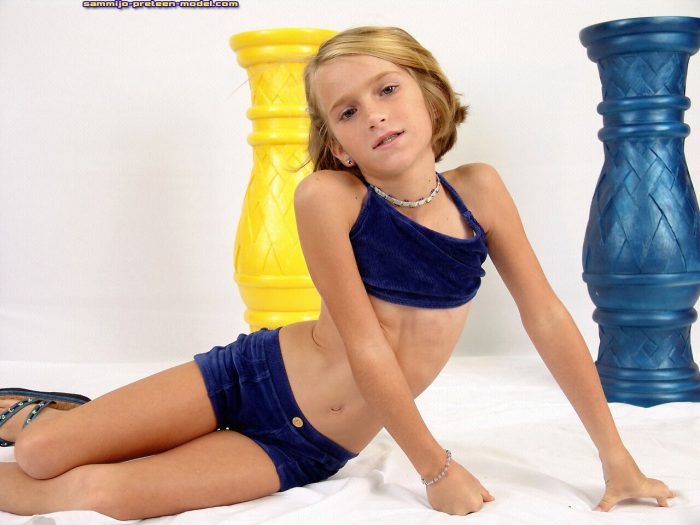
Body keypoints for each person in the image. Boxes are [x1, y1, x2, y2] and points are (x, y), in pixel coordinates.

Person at [0, 26, 674, 520]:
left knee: (98, 492)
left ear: (430, 97)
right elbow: (364, 344)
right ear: (340, 146)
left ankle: (84, 420)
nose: (373, 113)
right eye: (347, 112)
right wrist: (435, 469)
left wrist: (615, 456)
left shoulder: (481, 193)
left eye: (388, 89)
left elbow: (548, 318)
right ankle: (36, 412)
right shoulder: (331, 198)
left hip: (308, 445)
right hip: (250, 377)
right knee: (41, 452)